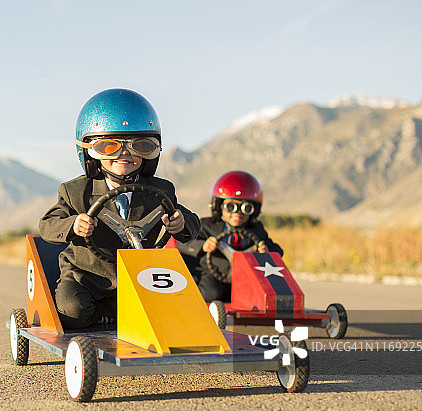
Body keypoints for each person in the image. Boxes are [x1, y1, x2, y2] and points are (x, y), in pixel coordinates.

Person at [39, 88, 200, 329]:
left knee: (176, 310)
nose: (125, 154)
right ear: (89, 152)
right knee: (72, 310)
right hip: (87, 277)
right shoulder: (74, 191)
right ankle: (105, 318)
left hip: (140, 276)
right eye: (109, 147)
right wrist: (73, 225)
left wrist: (181, 222)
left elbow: (188, 219)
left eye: (141, 146)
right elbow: (47, 224)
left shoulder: (161, 191)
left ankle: (120, 315)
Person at [177, 170, 283, 303]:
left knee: (262, 297)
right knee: (211, 292)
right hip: (212, 275)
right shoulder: (207, 226)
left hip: (246, 279)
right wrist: (203, 246)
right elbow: (182, 242)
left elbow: (278, 251)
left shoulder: (256, 230)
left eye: (246, 208)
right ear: (219, 206)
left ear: (254, 210)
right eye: (231, 206)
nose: (237, 213)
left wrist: (266, 251)